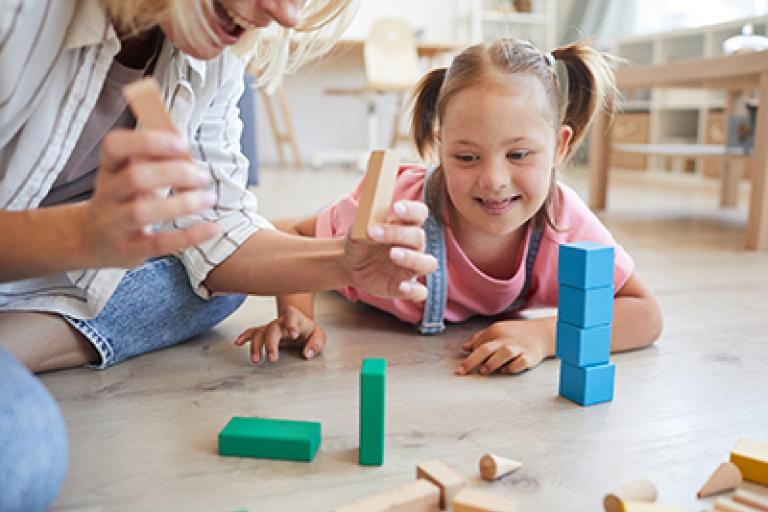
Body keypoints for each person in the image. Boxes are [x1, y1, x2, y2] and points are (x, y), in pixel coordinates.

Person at [0, 1, 436, 510]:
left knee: (212, 286)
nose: (286, 16)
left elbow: (220, 232)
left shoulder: (207, 58)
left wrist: (345, 261)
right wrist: (75, 236)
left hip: (46, 272)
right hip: (44, 258)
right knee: (24, 447)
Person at [236, 38, 663, 375]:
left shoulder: (564, 220)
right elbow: (289, 234)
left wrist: (546, 337)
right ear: (441, 150)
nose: (493, 180)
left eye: (518, 155)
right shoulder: (394, 211)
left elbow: (645, 315)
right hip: (358, 292)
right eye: (466, 157)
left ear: (559, 147)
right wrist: (296, 314)